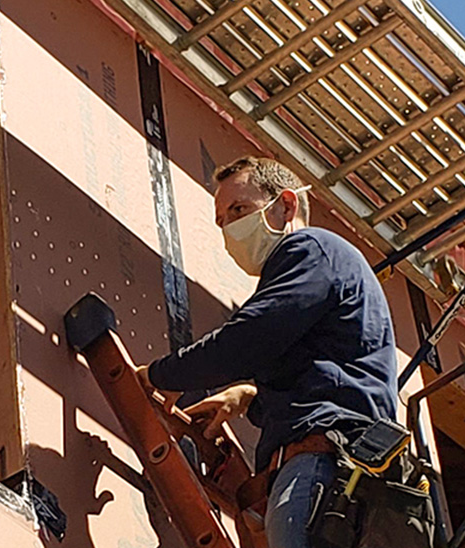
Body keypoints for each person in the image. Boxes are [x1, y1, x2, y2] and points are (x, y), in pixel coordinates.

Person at [137, 156, 398, 548]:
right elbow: (328, 373)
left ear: (287, 206)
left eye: (239, 209)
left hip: (324, 469)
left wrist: (157, 375)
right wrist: (250, 397)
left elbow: (248, 340)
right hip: (348, 482)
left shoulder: (311, 249)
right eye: (222, 220)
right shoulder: (327, 270)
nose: (229, 229)